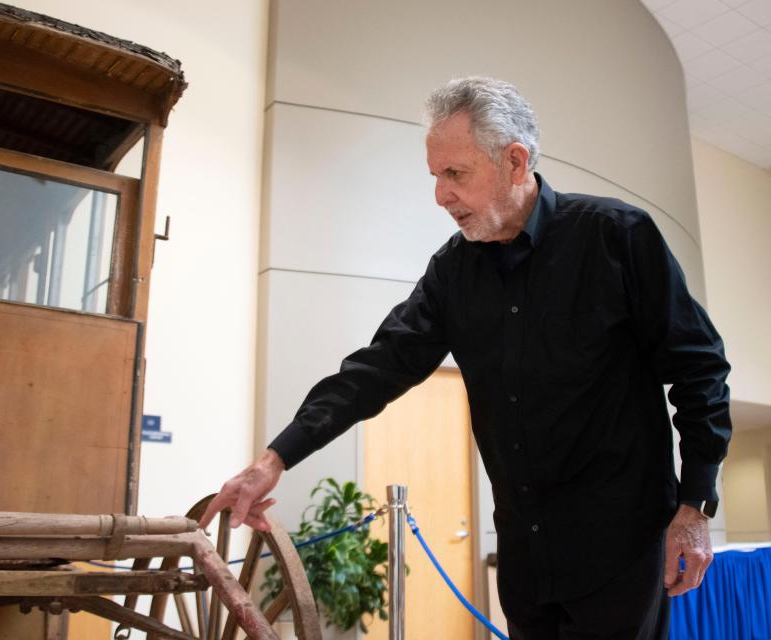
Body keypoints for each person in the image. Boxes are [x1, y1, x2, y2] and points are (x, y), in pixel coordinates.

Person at [199, 77, 732, 639]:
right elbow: (375, 368)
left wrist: (694, 505)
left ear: (515, 161)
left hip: (620, 550)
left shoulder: (617, 237)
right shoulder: (454, 271)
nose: (440, 196)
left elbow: (699, 368)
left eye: (456, 174)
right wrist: (274, 459)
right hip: (526, 556)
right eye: (435, 176)